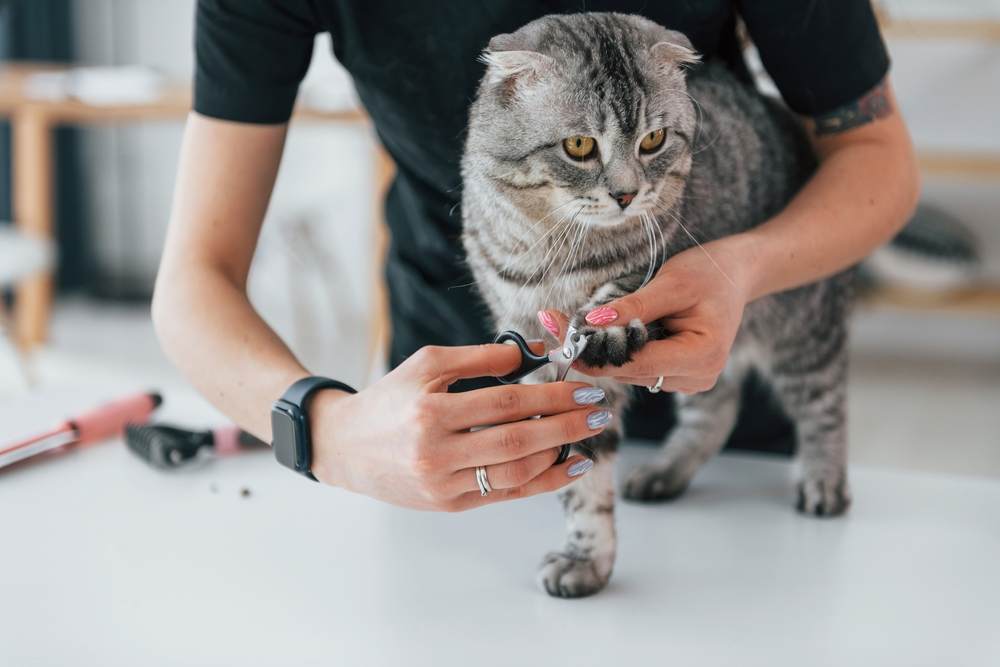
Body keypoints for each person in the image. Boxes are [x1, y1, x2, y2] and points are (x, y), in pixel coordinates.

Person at [153, 1, 919, 510]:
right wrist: (330, 433)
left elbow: (880, 159)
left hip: (724, 373)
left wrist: (739, 270)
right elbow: (194, 278)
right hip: (452, 417)